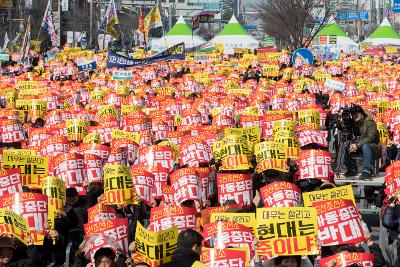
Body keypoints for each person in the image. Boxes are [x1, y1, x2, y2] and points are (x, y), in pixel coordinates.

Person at [344, 105, 380, 179]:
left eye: (357, 113)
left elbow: (371, 137)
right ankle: (352, 168)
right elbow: (350, 137)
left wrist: (357, 145)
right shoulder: (353, 124)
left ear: (362, 113)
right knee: (346, 145)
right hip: (359, 147)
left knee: (365, 146)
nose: (355, 115)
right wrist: (351, 144)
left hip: (373, 148)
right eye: (353, 114)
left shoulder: (370, 123)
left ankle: (367, 170)